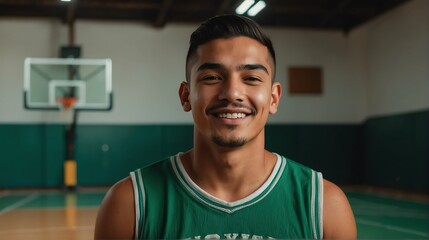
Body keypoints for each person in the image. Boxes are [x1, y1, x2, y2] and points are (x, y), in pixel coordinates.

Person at [94, 14, 356, 239]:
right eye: (212, 77)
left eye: (251, 78)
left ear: (274, 98)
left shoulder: (324, 206)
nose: (232, 93)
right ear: (186, 96)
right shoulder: (129, 204)